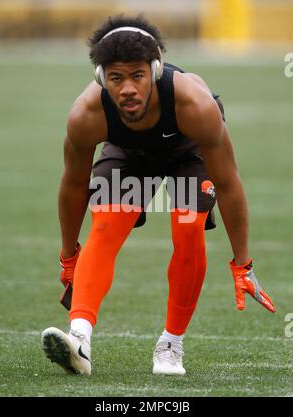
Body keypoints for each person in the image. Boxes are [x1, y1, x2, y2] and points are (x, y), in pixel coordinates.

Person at [41, 15, 275, 376]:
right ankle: (79, 339)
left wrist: (242, 263)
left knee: (187, 227)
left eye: (137, 76)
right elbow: (73, 186)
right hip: (129, 151)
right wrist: (68, 254)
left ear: (155, 70)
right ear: (102, 78)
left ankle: (171, 344)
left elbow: (228, 184)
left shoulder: (194, 104)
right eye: (116, 78)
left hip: (187, 150)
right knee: (105, 225)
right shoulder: (87, 114)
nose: (128, 89)